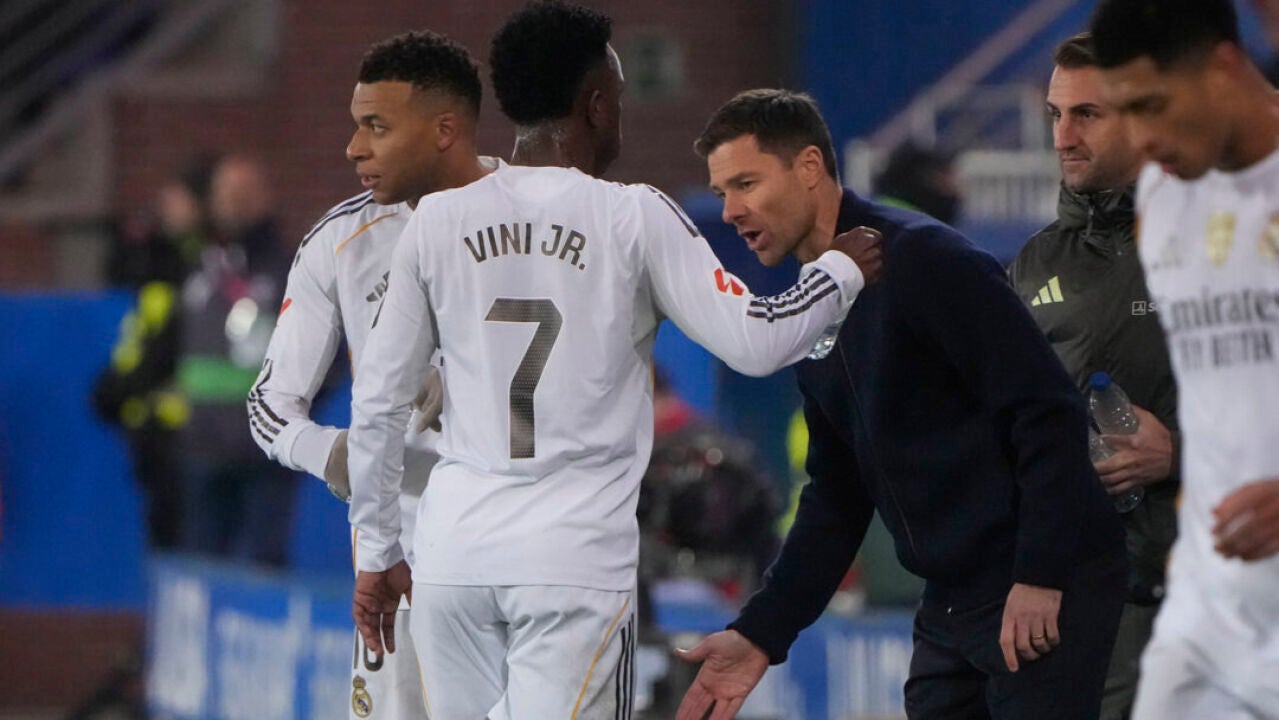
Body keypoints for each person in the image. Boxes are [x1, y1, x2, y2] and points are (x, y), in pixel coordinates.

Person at [344, 3, 883, 718]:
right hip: (571, 564)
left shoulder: (437, 219)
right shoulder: (632, 215)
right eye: (618, 98)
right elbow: (757, 342)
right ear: (595, 105)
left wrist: (377, 551)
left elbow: (378, 403)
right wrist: (838, 271)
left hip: (453, 560)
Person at [676, 89, 1128, 720]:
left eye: (746, 184)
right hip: (951, 597)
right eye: (721, 192)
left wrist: (1040, 574)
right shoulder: (814, 302)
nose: (730, 211)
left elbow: (1046, 410)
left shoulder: (925, 259)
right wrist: (760, 634)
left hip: (1038, 582)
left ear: (809, 167)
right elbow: (837, 493)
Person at [247, 30, 494, 720]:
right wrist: (332, 452)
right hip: (399, 566)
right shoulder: (339, 243)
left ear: (444, 130)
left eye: (376, 127)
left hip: (517, 557)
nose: (353, 149)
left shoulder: (540, 216)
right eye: (357, 126)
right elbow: (268, 404)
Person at [1090, 1, 1279, 717]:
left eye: (1152, 105)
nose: (1140, 138)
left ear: (1223, 68)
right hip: (1208, 621)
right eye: (1123, 111)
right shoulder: (1162, 197)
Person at [1007, 32, 1179, 720]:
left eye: (1086, 115)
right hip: (1076, 605)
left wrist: (1179, 453)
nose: (1062, 137)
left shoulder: (1219, 243)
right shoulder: (1034, 264)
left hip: (1214, 593)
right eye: (1055, 114)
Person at [179, 153, 294, 566]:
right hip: (201, 447)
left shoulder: (289, 268)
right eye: (223, 193)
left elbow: (325, 355)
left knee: (264, 567)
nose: (231, 203)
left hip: (264, 450)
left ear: (264, 196)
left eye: (241, 192)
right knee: (202, 566)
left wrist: (289, 418)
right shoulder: (199, 266)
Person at [872, 141, 963, 226]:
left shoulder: (880, 213)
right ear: (931, 180)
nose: (956, 187)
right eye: (948, 177)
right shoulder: (914, 228)